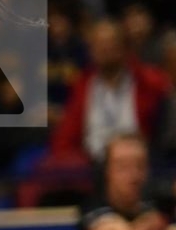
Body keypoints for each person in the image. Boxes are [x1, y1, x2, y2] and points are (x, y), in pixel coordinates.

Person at [51, 17, 171, 161]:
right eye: (99, 44)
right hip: (92, 164)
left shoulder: (148, 82)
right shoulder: (82, 86)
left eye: (110, 43)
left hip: (138, 159)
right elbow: (66, 136)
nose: (104, 49)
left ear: (124, 47)